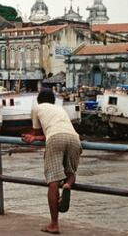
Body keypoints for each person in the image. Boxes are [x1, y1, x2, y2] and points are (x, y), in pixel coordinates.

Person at [22, 88, 82, 234]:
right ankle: (67, 185)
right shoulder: (60, 109)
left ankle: (54, 224)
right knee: (70, 172)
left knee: (53, 181)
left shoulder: (37, 108)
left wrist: (33, 138)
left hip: (55, 138)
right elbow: (54, 130)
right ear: (53, 100)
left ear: (38, 100)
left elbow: (39, 132)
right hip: (74, 138)